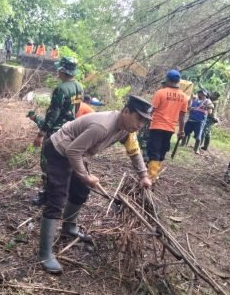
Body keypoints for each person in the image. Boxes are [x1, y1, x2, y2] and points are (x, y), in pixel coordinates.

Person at [37, 95, 153, 274]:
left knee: (80, 190)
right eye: (138, 118)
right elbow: (72, 151)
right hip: (58, 149)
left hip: (76, 152)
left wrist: (143, 175)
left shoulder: (127, 129)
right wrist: (85, 175)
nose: (140, 125)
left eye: (144, 122)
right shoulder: (102, 126)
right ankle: (44, 254)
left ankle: (69, 227)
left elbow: (134, 151)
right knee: (57, 198)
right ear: (126, 111)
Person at [31, 57, 84, 206]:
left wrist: (41, 134)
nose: (57, 72)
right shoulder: (79, 87)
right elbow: (78, 108)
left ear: (62, 71)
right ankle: (61, 193)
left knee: (47, 163)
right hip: (70, 130)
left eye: (58, 69)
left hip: (55, 132)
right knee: (64, 163)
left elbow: (53, 114)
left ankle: (48, 195)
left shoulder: (61, 89)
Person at [147, 70, 188, 181]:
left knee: (154, 151)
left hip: (156, 126)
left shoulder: (161, 92)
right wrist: (181, 130)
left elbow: (151, 110)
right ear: (178, 81)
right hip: (170, 129)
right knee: (162, 151)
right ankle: (154, 175)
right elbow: (182, 117)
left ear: (168, 80)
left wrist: (143, 122)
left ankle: (150, 178)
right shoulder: (184, 97)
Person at [182, 89, 214, 154]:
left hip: (199, 121)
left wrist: (205, 107)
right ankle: (183, 144)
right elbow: (188, 107)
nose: (199, 94)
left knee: (198, 136)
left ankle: (196, 149)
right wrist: (190, 108)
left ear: (204, 94)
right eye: (198, 92)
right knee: (185, 132)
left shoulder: (207, 101)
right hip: (191, 119)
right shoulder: (195, 100)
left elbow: (211, 109)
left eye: (200, 93)